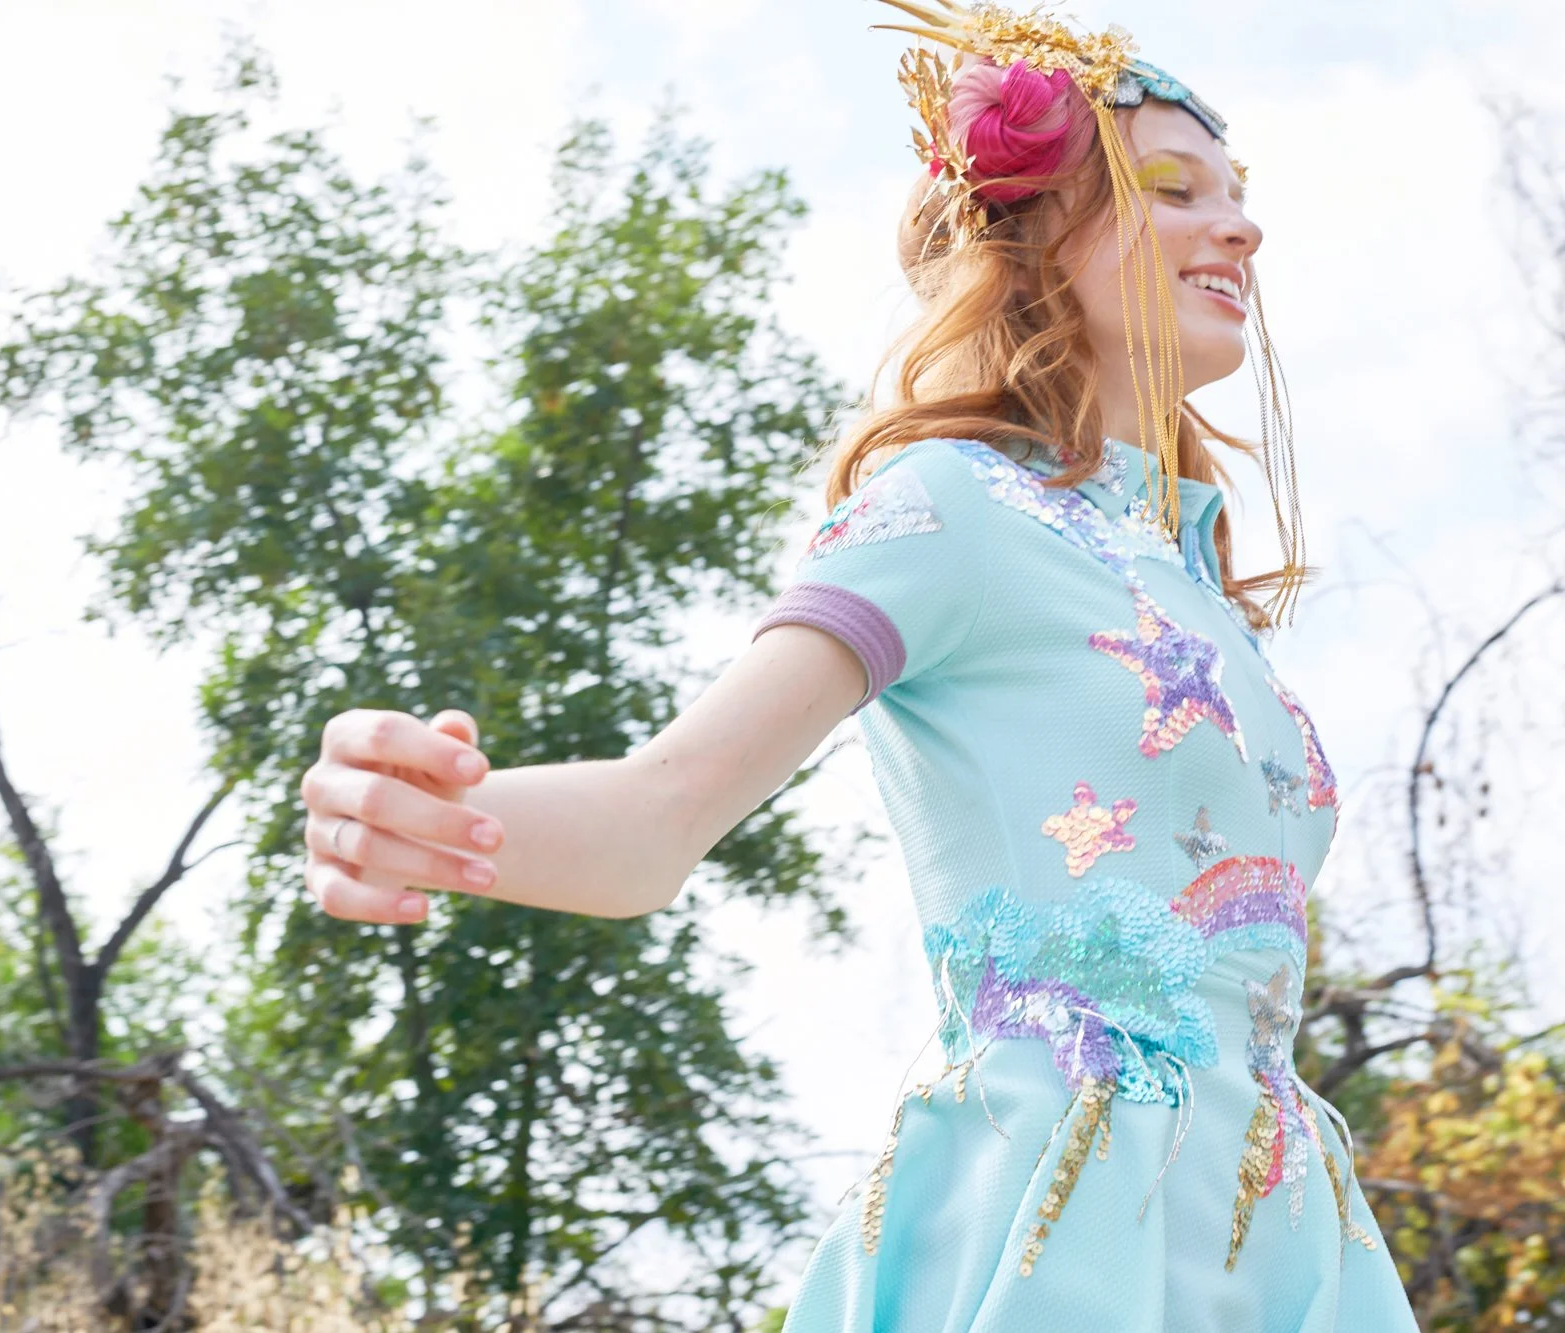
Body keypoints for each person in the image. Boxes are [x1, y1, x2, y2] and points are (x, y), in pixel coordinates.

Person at [294, 1, 1417, 1327]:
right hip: (1056, 1232)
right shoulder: (948, 508)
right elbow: (658, 819)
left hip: (1279, 1235)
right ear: (1038, 232)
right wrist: (440, 821)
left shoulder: (1202, 585)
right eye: (1174, 191)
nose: (1240, 227)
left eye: (1239, 198)